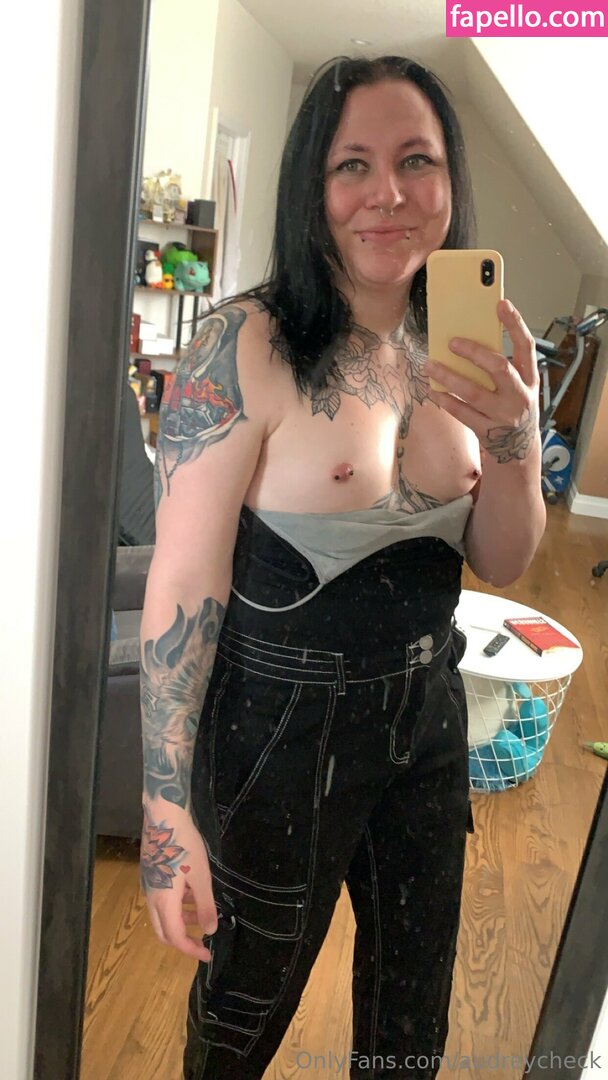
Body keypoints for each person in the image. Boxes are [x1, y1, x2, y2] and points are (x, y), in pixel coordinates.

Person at [138, 55, 545, 1080]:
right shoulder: (245, 343)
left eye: (417, 160)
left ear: (450, 178)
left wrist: (516, 433)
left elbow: (502, 559)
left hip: (429, 712)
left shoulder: (475, 349)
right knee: (246, 1003)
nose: (388, 193)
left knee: (413, 1015)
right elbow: (182, 587)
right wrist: (164, 806)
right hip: (279, 728)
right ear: (310, 187)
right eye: (351, 164)